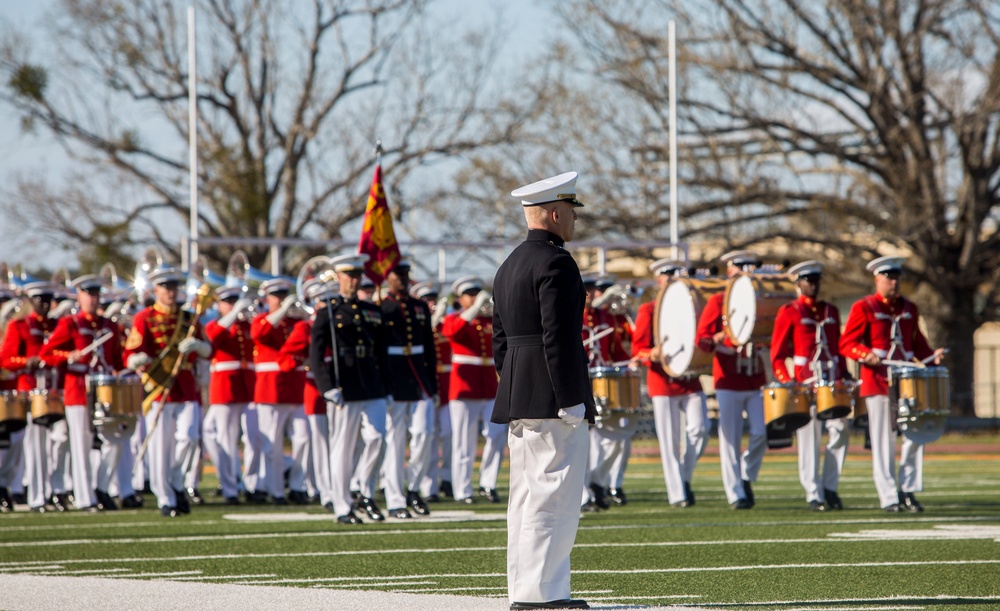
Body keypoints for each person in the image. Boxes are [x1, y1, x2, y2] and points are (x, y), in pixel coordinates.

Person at [492, 171, 594, 610]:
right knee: (555, 497)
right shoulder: (557, 263)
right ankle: (545, 595)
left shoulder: (509, 263)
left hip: (520, 394)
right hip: (553, 397)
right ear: (554, 213)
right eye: (570, 212)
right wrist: (570, 396)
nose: (574, 220)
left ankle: (526, 590)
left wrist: (516, 384)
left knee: (526, 499)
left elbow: (500, 340)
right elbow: (560, 337)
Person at [840, 255, 944, 512]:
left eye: (897, 277)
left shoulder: (909, 308)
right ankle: (888, 496)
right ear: (877, 279)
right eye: (888, 277)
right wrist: (866, 355)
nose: (894, 282)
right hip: (878, 380)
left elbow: (917, 343)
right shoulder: (864, 306)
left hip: (909, 381)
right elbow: (847, 344)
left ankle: (908, 489)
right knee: (884, 439)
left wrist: (932, 358)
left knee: (915, 434)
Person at [122, 266, 211, 518]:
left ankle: (174, 480)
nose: (171, 292)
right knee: (160, 447)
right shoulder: (145, 318)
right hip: (158, 388)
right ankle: (166, 498)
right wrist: (136, 359)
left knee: (190, 437)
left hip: (184, 387)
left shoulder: (188, 318)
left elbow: (209, 350)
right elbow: (129, 353)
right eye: (166, 287)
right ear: (156, 290)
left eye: (174, 287)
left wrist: (199, 347)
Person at [309, 253, 392, 525]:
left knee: (378, 438)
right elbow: (316, 354)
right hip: (344, 385)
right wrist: (327, 387)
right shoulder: (328, 311)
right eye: (349, 275)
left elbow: (381, 351)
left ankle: (363, 488)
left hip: (372, 383)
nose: (354, 280)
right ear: (339, 278)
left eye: (357, 275)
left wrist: (386, 385)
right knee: (342, 448)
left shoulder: (372, 310)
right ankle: (342, 505)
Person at [40, 274, 127, 512]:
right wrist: (67, 356)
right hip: (78, 388)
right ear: (79, 296)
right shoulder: (71, 324)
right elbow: (47, 353)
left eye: (96, 294)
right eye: (88, 294)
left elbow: (117, 360)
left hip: (106, 390)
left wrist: (125, 370)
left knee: (114, 439)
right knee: (80, 443)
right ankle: (85, 497)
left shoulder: (108, 325)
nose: (93, 299)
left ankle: (102, 487)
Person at [770, 260, 850, 511]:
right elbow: (778, 354)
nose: (813, 285)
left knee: (841, 430)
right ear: (798, 283)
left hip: (832, 379)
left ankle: (830, 486)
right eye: (808, 281)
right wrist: (788, 381)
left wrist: (844, 374)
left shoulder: (831, 311)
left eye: (816, 281)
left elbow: (837, 348)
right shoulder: (790, 311)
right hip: (805, 381)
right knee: (809, 439)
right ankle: (813, 492)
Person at [631, 259, 709, 508]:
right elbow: (638, 349)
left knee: (700, 429)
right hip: (662, 382)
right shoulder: (649, 310)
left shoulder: (693, 308)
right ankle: (678, 494)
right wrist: (651, 354)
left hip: (690, 379)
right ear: (659, 280)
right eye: (668, 275)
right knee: (670, 440)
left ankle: (684, 477)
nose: (673, 279)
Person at [695, 250, 768, 509]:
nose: (747, 272)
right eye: (741, 267)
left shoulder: (761, 301)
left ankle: (746, 473)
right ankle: (735, 493)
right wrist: (720, 337)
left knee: (762, 432)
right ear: (730, 271)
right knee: (730, 440)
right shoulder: (719, 301)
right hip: (727, 379)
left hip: (755, 377)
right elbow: (701, 340)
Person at [380, 257, 437, 518]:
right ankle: (395, 499)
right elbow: (379, 351)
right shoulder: (382, 307)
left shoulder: (419, 306)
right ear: (387, 278)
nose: (401, 278)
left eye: (404, 274)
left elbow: (429, 348)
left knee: (424, 434)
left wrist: (433, 386)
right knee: (395, 441)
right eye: (396, 274)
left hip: (419, 377)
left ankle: (414, 489)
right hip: (394, 376)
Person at [441, 275, 506, 504]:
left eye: (476, 293)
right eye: (469, 294)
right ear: (461, 298)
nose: (474, 297)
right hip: (464, 388)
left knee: (497, 434)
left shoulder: (487, 321)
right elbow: (452, 333)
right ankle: (463, 489)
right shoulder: (453, 318)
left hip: (488, 386)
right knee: (463, 442)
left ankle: (488, 484)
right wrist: (476, 307)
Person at [279, 278, 339, 512]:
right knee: (322, 444)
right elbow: (285, 358)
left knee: (346, 442)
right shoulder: (306, 327)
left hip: (344, 389)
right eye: (324, 301)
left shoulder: (341, 323)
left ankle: (346, 487)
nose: (329, 305)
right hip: (316, 390)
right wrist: (306, 364)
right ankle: (327, 492)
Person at [0, 282, 61, 512]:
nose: (45, 304)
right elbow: (6, 359)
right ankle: (37, 496)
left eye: (48, 300)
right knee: (33, 445)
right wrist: (27, 361)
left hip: (54, 390)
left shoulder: (57, 325)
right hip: (30, 392)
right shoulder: (20, 325)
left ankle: (52, 491)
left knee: (54, 444)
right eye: (40, 300)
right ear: (32, 302)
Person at [251, 278, 309, 505]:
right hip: (271, 389)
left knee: (304, 439)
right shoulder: (261, 320)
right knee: (272, 445)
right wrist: (284, 309)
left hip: (297, 386)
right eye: (277, 295)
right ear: (267, 299)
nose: (282, 299)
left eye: (284, 294)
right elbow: (260, 334)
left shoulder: (297, 321)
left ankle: (297, 486)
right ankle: (275, 490)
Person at [202, 285, 256, 505]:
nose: (232, 305)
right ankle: (231, 488)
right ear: (219, 305)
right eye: (228, 302)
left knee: (245, 439)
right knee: (224, 438)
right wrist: (234, 313)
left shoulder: (245, 324)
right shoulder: (216, 324)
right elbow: (213, 336)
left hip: (246, 386)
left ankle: (243, 484)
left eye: (235, 301)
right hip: (225, 387)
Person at [412, 281, 454, 502]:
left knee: (447, 434)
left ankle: (447, 478)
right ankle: (429, 487)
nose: (431, 303)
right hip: (425, 383)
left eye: (433, 299)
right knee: (426, 436)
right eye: (426, 299)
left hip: (447, 384)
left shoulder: (445, 322)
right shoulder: (419, 323)